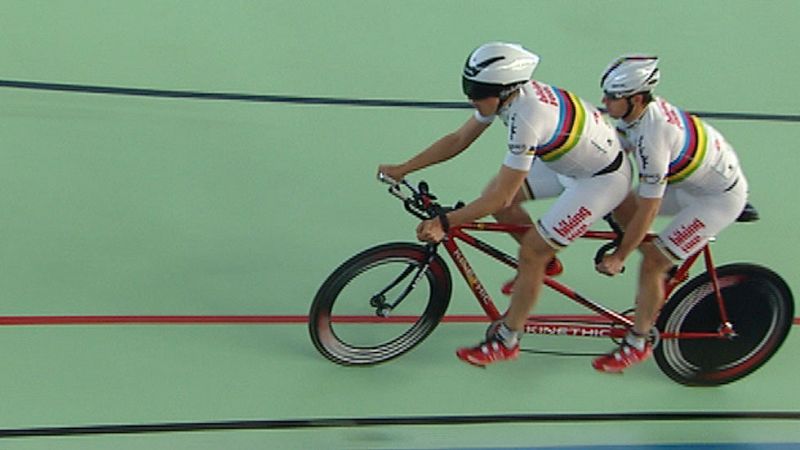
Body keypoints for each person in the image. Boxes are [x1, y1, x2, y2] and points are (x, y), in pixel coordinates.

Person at [378, 42, 632, 367]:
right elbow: (458, 140)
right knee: (499, 203)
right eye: (468, 88)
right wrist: (404, 168)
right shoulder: (507, 97)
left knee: (530, 252)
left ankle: (507, 339)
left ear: (504, 91)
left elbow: (502, 196)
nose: (471, 98)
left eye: (478, 92)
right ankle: (548, 263)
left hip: (600, 181)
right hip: (569, 163)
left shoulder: (527, 118)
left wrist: (445, 222)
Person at [593, 55, 749, 372]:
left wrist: (620, 256)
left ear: (636, 99)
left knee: (651, 262)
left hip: (715, 199)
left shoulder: (654, 136)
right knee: (617, 201)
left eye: (611, 97)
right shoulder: (634, 114)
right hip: (694, 180)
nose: (604, 101)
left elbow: (649, 208)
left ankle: (637, 343)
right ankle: (662, 275)